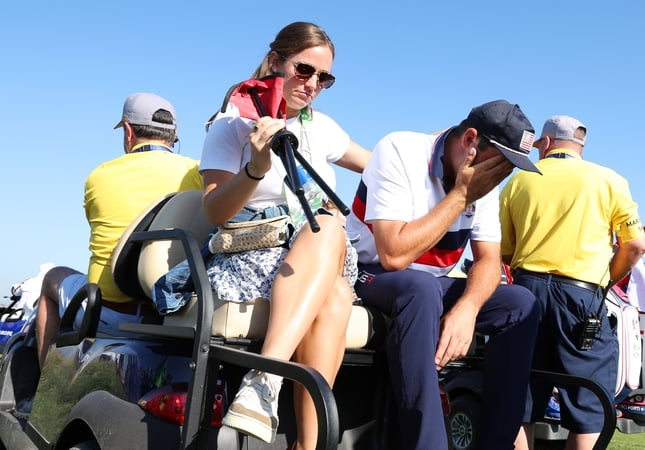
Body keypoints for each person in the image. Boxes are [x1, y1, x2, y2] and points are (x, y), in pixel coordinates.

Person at [197, 22, 370, 449]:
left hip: (316, 254)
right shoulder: (232, 128)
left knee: (331, 243)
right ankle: (285, 407)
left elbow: (384, 167)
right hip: (253, 255)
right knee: (336, 290)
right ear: (275, 61)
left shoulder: (322, 128)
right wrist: (255, 168)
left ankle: (271, 392)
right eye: (304, 70)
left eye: (324, 78)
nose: (312, 85)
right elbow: (216, 211)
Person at [345, 100, 542, 450]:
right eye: (502, 164)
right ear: (470, 140)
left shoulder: (485, 184)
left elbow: (487, 262)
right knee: (420, 288)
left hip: (429, 285)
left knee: (520, 303)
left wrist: (467, 308)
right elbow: (393, 255)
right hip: (370, 274)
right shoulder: (400, 150)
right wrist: (461, 195)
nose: (502, 175)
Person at [499, 115, 645, 450]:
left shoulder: (519, 181)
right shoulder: (609, 180)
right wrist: (607, 280)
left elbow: (504, 250)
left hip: (525, 291)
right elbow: (635, 245)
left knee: (518, 403)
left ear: (547, 143)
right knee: (589, 406)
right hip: (582, 297)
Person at [35, 93, 203, 370]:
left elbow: (101, 229)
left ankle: (41, 388)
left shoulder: (99, 175)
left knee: (51, 279)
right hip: (174, 314)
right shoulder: (198, 172)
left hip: (108, 313)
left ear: (128, 131)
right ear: (174, 135)